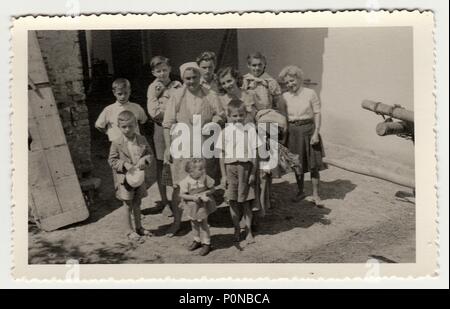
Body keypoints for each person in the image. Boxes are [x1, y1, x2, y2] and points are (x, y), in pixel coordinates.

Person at [162, 62, 225, 236]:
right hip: (182, 146)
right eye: (188, 78)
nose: (192, 81)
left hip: (204, 147)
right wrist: (168, 148)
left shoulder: (210, 94)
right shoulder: (177, 96)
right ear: (182, 79)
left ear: (200, 76)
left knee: (202, 185)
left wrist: (214, 121)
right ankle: (177, 221)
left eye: (195, 77)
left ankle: (203, 220)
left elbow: (220, 114)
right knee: (179, 186)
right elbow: (167, 124)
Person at [278, 65, 327, 206]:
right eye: (287, 83)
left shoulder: (310, 93)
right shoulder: (285, 96)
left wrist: (316, 132)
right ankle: (301, 191)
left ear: (299, 79)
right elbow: (284, 117)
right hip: (293, 132)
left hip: (309, 130)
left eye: (292, 81)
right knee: (297, 163)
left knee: (313, 165)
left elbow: (317, 112)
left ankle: (316, 195)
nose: (290, 84)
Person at [217, 100, 261, 245]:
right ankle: (236, 228)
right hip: (230, 169)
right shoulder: (224, 132)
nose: (238, 119)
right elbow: (221, 155)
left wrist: (253, 173)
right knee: (233, 202)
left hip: (246, 168)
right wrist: (223, 176)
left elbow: (255, 154)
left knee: (247, 202)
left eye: (241, 115)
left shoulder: (251, 130)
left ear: (246, 114)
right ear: (229, 116)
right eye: (234, 116)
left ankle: (248, 231)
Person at [108, 111, 154, 241]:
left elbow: (150, 154)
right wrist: (124, 164)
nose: (127, 129)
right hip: (125, 180)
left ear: (135, 125)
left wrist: (144, 160)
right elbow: (111, 160)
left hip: (138, 178)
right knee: (127, 204)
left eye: (131, 126)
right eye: (124, 127)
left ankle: (139, 227)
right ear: (119, 126)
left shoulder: (141, 140)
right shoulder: (116, 143)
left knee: (137, 203)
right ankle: (129, 230)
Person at [147, 56, 182, 213]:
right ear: (153, 72)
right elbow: (153, 112)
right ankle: (164, 201)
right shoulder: (153, 88)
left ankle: (181, 198)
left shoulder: (177, 85)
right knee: (162, 163)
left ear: (170, 69)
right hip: (161, 128)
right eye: (158, 71)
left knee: (180, 161)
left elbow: (182, 104)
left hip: (177, 128)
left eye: (164, 70)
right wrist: (168, 115)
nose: (162, 74)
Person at [179, 159, 217, 256]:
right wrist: (192, 197)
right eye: (200, 169)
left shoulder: (204, 178)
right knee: (194, 223)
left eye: (203, 168)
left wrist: (206, 193)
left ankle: (207, 243)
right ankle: (197, 240)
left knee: (204, 223)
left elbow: (213, 189)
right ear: (191, 171)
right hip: (192, 205)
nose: (203, 170)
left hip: (203, 205)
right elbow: (182, 195)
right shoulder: (186, 181)